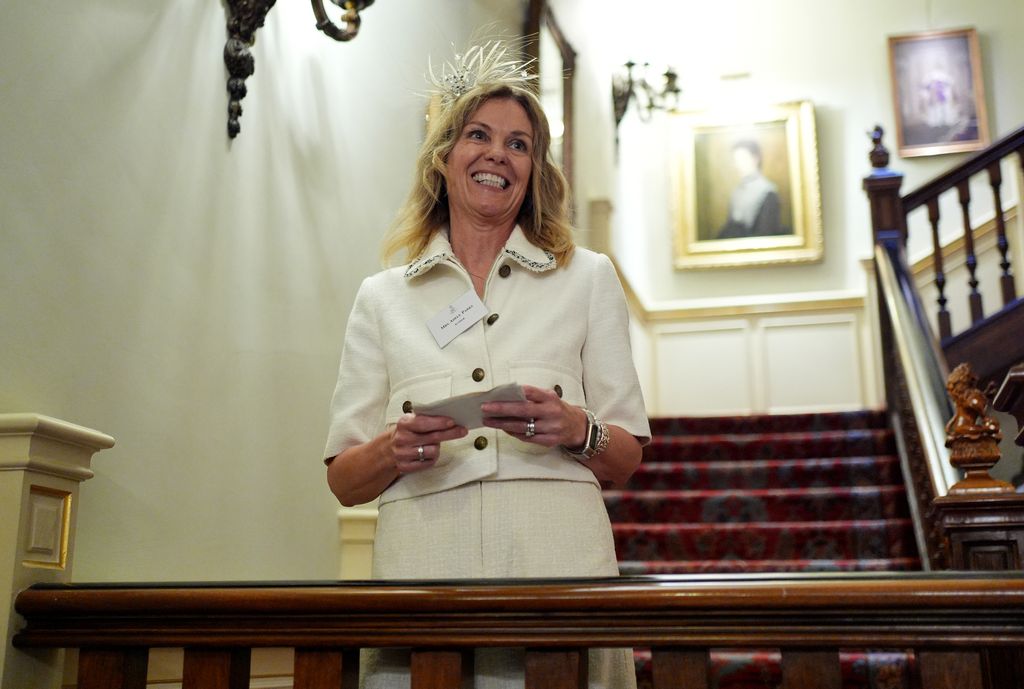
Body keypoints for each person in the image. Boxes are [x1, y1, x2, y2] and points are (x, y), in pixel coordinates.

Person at [322, 41, 650, 689]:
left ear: (535, 169)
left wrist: (575, 428)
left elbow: (626, 456)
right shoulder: (381, 298)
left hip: (561, 583)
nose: (498, 153)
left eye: (519, 143)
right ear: (444, 158)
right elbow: (344, 481)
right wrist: (394, 447)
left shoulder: (587, 279)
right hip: (421, 591)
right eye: (479, 135)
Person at [715, 139, 788, 239]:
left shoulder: (768, 191)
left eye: (743, 159)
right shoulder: (737, 192)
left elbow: (766, 233)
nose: (738, 165)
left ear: (755, 159)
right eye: (736, 160)